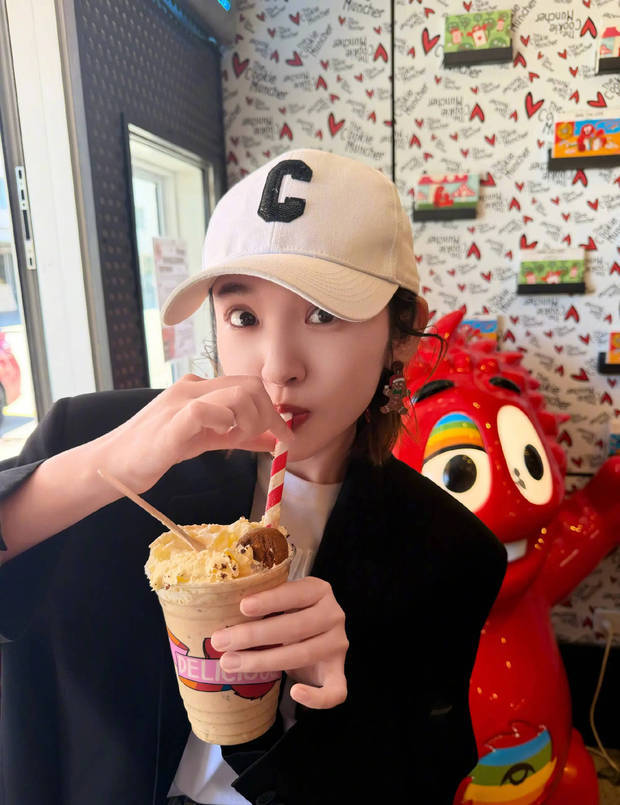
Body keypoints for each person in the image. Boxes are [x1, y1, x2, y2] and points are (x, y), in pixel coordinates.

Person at [0, 149, 506, 805]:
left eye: (323, 314)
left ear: (403, 336)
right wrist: (109, 467)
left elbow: (425, 780)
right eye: (243, 316)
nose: (277, 366)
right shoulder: (89, 439)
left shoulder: (450, 552)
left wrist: (333, 704)